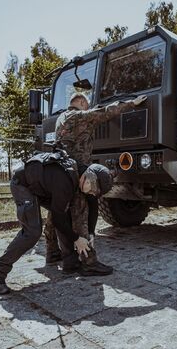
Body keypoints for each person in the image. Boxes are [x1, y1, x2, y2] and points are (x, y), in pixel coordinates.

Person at [0, 150, 114, 295]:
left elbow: (93, 204)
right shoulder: (65, 182)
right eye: (93, 190)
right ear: (89, 178)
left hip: (42, 186)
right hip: (22, 185)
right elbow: (58, 221)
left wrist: (91, 233)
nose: (92, 193)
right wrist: (77, 239)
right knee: (32, 232)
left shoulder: (84, 173)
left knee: (64, 212)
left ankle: (70, 262)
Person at [43, 93, 147, 270]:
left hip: (61, 171)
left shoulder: (60, 118)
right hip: (78, 173)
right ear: (82, 102)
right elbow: (106, 112)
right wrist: (131, 103)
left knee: (56, 211)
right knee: (80, 213)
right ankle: (89, 262)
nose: (88, 107)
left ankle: (52, 252)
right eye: (87, 104)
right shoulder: (80, 116)